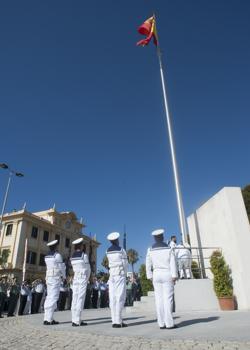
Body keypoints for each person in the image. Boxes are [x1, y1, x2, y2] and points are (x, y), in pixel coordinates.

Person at [146, 229, 178, 329]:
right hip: (167, 273)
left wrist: (150, 276)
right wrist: (174, 275)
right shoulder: (169, 248)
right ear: (163, 237)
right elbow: (172, 262)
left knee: (158, 299)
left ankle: (161, 323)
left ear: (154, 238)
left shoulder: (150, 249)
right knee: (168, 299)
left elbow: (148, 264)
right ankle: (169, 323)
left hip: (156, 274)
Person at [106, 231, 128, 328]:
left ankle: (114, 320)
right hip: (119, 274)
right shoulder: (121, 250)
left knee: (113, 298)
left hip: (112, 275)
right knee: (120, 297)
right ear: (117, 240)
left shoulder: (107, 251)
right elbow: (125, 264)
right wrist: (125, 274)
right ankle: (118, 321)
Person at [43, 239, 66, 325]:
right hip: (55, 277)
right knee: (53, 297)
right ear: (56, 246)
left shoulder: (46, 256)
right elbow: (61, 267)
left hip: (48, 277)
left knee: (49, 297)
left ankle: (46, 318)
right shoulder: (57, 255)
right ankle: (49, 319)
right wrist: (64, 276)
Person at [70, 238, 91, 327]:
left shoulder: (72, 257)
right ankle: (77, 320)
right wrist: (87, 278)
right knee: (80, 298)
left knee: (74, 298)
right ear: (81, 246)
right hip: (82, 278)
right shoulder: (84, 256)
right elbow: (88, 269)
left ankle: (74, 319)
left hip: (76, 278)